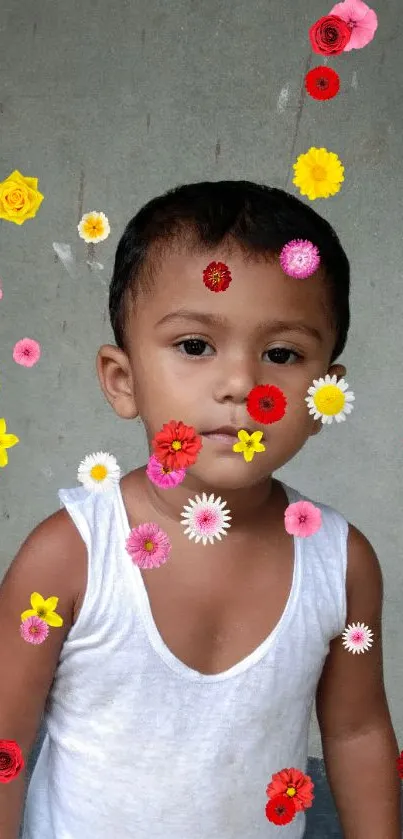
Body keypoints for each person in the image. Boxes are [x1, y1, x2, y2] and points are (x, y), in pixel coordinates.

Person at [0, 181, 400, 839]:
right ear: (122, 380)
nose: (241, 383)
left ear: (325, 393)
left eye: (282, 354)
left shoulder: (340, 563)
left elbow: (356, 731)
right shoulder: (69, 556)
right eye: (194, 345)